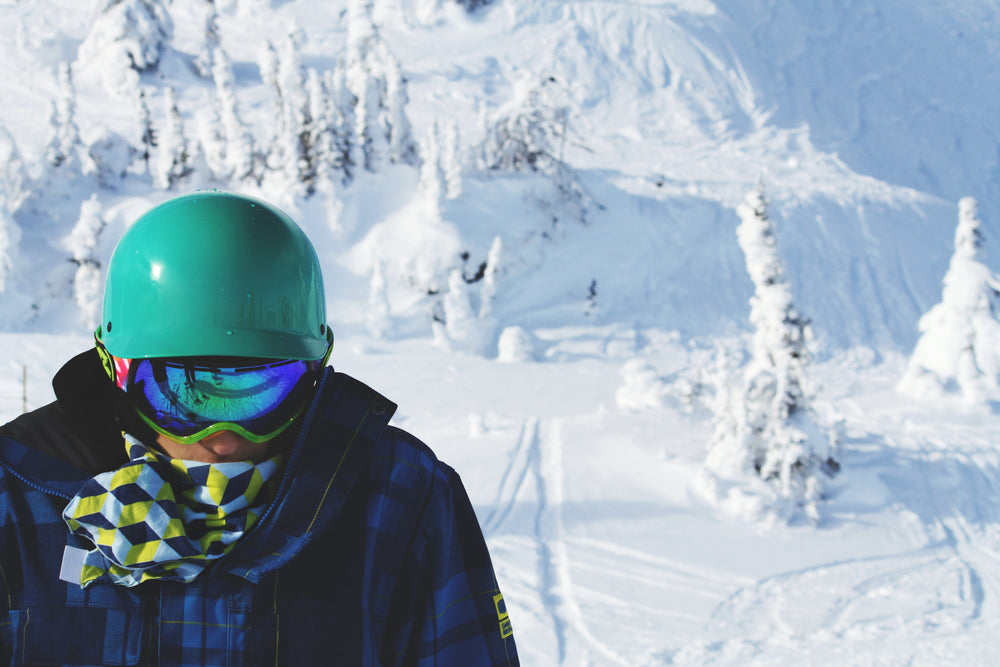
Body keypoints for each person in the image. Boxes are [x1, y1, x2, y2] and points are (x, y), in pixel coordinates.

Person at [0, 191, 519, 666]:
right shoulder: (18, 499)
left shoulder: (401, 499)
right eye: (183, 393)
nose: (225, 438)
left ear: (314, 377)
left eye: (262, 392)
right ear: (118, 371)